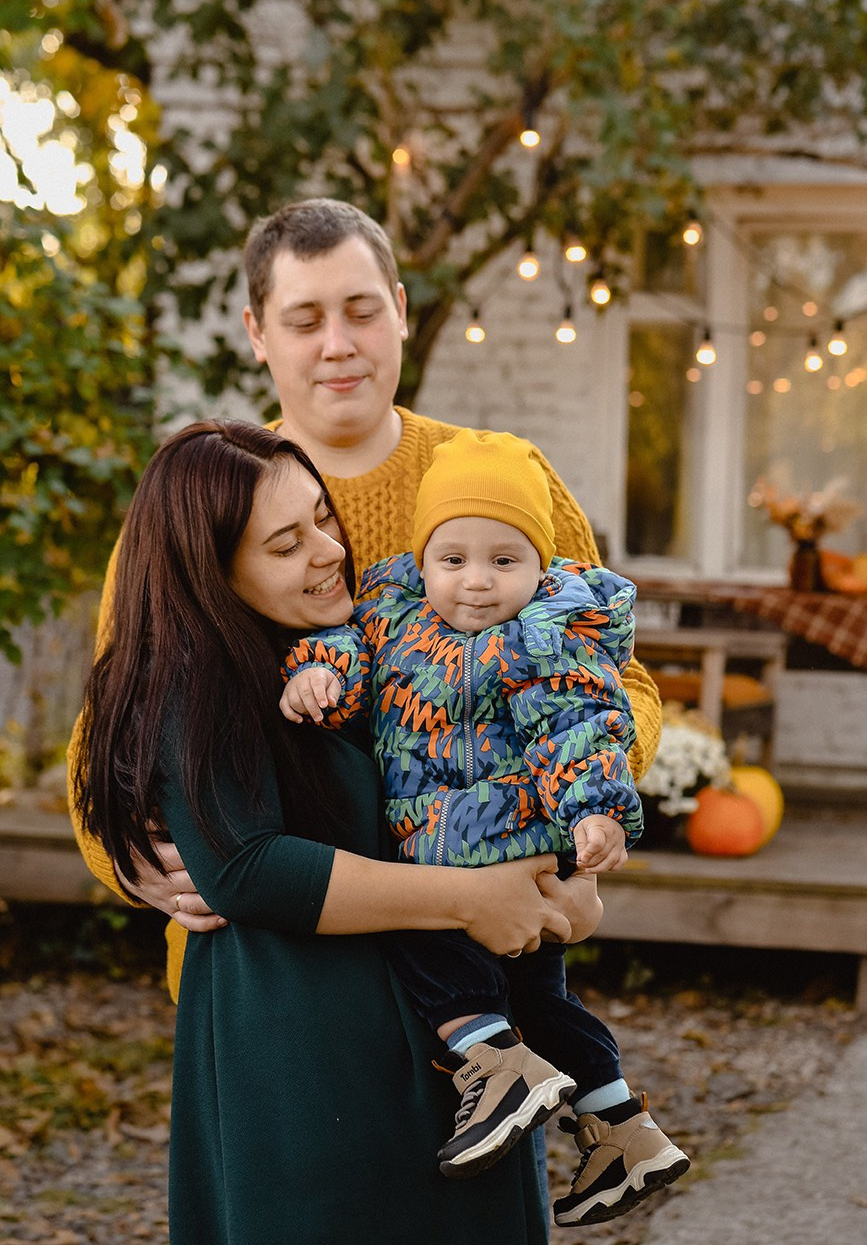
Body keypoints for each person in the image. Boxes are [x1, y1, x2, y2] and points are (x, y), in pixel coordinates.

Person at [70, 197, 662, 1001]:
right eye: (304, 319)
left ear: (401, 311)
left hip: (483, 948)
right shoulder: (198, 515)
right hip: (275, 978)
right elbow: (107, 732)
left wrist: (575, 807)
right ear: (256, 332)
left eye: (360, 311)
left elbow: (617, 679)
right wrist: (130, 861)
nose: (337, 345)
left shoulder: (499, 477)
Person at [72, 419, 582, 1244]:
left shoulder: (343, 650)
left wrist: (564, 874)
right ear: (211, 571)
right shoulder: (195, 682)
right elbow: (247, 867)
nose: (326, 549)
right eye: (285, 542)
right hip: (306, 1061)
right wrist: (470, 899)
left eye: (322, 516)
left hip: (441, 1034)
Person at [280, 429, 689, 1227]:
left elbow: (580, 723)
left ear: (539, 565)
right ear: (422, 559)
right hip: (471, 853)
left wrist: (595, 809)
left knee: (420, 944)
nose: (475, 582)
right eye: (453, 558)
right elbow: (346, 651)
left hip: (499, 848)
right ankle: (621, 1126)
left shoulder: (546, 633)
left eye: (504, 560)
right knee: (540, 999)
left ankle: (490, 1061)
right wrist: (318, 673)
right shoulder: (391, 616)